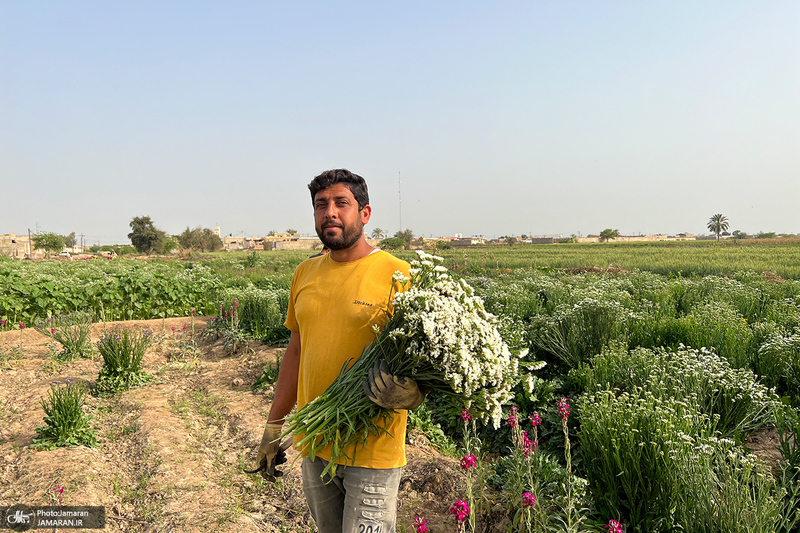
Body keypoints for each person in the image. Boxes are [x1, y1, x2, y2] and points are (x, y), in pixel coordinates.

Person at [255, 169, 424, 533]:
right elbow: (296, 352)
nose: (329, 212)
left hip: (373, 449)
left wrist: (416, 392)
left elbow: (422, 359)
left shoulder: (399, 274)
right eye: (320, 205)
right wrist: (273, 427)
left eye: (341, 203)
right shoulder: (304, 273)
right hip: (315, 445)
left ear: (364, 213)